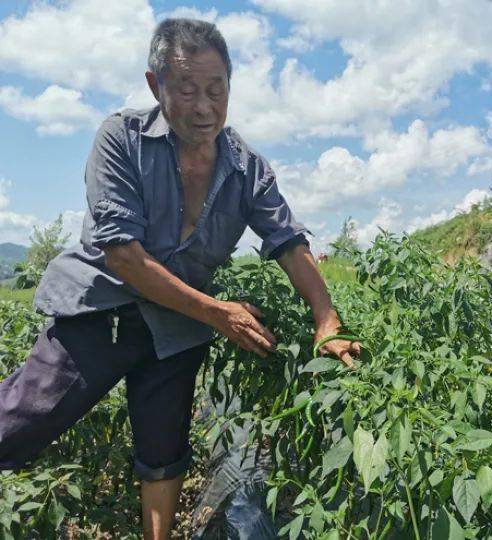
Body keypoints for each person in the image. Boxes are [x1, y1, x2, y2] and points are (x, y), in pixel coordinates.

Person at [0, 18, 360, 540]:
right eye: (187, 89)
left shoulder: (246, 168)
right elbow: (123, 257)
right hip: (101, 313)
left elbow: (287, 241)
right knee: (21, 420)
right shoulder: (122, 138)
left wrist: (326, 319)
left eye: (217, 90)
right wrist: (219, 313)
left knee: (164, 451)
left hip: (177, 327)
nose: (204, 106)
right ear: (156, 86)